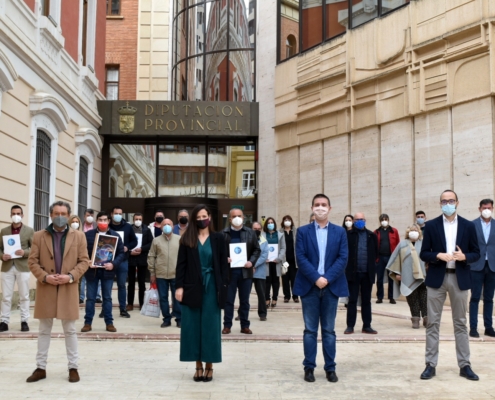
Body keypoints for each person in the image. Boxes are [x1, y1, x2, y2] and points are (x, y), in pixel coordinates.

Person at [419, 190, 480, 381]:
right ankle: (430, 364)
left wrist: (465, 257)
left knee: (461, 323)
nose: (448, 204)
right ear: (440, 204)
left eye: (451, 201)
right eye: (444, 201)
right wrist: (437, 255)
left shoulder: (468, 226)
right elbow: (424, 254)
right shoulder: (430, 226)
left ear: (457, 203)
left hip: (459, 278)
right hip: (437, 278)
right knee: (433, 323)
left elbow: (476, 253)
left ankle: (465, 365)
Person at [26, 201, 89, 383]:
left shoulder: (79, 237)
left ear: (68, 215)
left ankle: (73, 368)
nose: (60, 216)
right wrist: (45, 277)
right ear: (50, 215)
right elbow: (32, 261)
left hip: (68, 287)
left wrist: (70, 276)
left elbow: (84, 261)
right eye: (56, 213)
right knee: (44, 330)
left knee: (70, 330)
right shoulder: (39, 236)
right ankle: (40, 368)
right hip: (47, 287)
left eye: (63, 213)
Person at [293, 194, 348, 383]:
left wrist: (327, 278)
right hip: (309, 287)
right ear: (312, 208)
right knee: (310, 330)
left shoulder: (340, 232)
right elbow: (300, 258)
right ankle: (309, 367)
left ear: (330, 209)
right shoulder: (302, 231)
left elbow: (343, 258)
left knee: (329, 330)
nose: (320, 207)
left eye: (324, 205)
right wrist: (316, 278)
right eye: (317, 204)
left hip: (331, 287)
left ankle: (330, 368)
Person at [175, 204, 229, 382]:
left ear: (210, 217)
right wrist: (179, 287)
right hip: (191, 287)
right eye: (197, 217)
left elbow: (223, 264)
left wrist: (224, 287)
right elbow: (181, 265)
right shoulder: (186, 239)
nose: (201, 220)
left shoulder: (219, 238)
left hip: (213, 287)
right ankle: (197, 365)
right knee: (192, 327)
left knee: (211, 327)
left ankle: (210, 366)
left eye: (203, 216)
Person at [81, 211, 125, 333]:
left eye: (105, 220)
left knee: (107, 298)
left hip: (108, 271)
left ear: (109, 221)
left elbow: (121, 253)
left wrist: (113, 264)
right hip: (92, 272)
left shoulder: (115, 236)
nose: (103, 222)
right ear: (97, 220)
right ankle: (87, 323)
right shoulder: (88, 235)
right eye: (100, 219)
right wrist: (88, 261)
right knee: (90, 298)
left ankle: (109, 323)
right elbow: (81, 252)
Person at [222, 208, 260, 334]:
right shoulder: (223, 233)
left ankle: (245, 325)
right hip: (229, 273)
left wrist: (251, 261)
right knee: (229, 301)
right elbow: (218, 252)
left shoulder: (250, 233)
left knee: (244, 301)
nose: (237, 218)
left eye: (239, 215)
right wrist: (224, 258)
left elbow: (257, 250)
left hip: (245, 272)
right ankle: (227, 325)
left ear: (243, 218)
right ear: (230, 219)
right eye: (234, 216)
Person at [0, 205, 34, 332]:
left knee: (24, 296)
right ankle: (4, 321)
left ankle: (24, 321)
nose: (16, 215)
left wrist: (24, 252)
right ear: (10, 215)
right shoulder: (4, 231)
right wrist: (2, 256)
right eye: (14, 213)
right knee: (6, 297)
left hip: (23, 267)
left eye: (18, 213)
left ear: (22, 215)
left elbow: (34, 249)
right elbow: (0, 248)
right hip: (7, 267)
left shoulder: (29, 231)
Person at [386, 224, 427, 329]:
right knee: (412, 298)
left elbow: (428, 259)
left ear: (419, 232)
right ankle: (415, 319)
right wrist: (397, 273)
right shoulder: (402, 244)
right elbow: (395, 259)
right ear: (408, 232)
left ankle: (427, 319)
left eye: (416, 230)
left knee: (425, 298)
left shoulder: (424, 244)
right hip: (407, 277)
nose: (414, 231)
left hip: (424, 276)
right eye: (412, 230)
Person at [345, 212, 379, 334]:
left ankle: (367, 325)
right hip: (353, 274)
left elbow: (376, 253)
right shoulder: (348, 235)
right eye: (357, 219)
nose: (360, 221)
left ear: (365, 220)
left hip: (367, 273)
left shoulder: (371, 235)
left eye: (362, 219)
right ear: (353, 221)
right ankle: (350, 326)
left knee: (366, 301)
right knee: (352, 300)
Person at [148, 218, 181, 328]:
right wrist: (152, 272)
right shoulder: (156, 240)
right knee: (163, 297)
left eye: (169, 224)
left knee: (177, 297)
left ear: (173, 226)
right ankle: (166, 318)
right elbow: (151, 256)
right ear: (161, 227)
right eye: (164, 224)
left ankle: (179, 318)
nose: (167, 226)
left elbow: (183, 257)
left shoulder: (179, 239)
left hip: (176, 274)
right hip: (161, 274)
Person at [469, 199, 495, 338]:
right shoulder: (472, 225)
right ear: (479, 209)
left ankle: (488, 327)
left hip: (492, 266)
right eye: (484, 207)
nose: (487, 210)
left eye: (489, 207)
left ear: (492, 208)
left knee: (489, 298)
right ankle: (473, 327)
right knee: (475, 297)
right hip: (476, 266)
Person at [109, 206, 137, 318]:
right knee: (107, 285)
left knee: (121, 285)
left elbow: (134, 241)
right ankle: (106, 308)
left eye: (120, 213)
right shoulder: (107, 226)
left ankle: (123, 308)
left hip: (123, 260)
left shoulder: (128, 227)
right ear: (112, 214)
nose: (118, 215)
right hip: (108, 260)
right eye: (116, 213)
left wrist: (127, 247)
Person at [128, 213, 153, 311]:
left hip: (142, 258)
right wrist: (130, 251)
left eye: (140, 219)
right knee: (131, 282)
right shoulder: (129, 229)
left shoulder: (147, 229)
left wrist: (142, 249)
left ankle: (142, 303)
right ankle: (130, 303)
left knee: (142, 283)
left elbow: (151, 243)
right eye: (136, 219)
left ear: (142, 220)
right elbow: (125, 242)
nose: (138, 220)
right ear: (133, 219)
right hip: (131, 258)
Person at [374, 214, 400, 304]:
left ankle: (391, 297)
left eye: (385, 219)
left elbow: (398, 245)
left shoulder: (394, 231)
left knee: (391, 278)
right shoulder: (376, 232)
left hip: (391, 257)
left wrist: (397, 258)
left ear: (388, 220)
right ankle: (380, 297)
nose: (384, 221)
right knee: (380, 278)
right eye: (382, 219)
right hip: (380, 258)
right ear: (380, 221)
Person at [263, 217, 286, 308]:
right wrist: (264, 258)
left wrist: (279, 258)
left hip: (276, 262)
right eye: (268, 223)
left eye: (272, 222)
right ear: (266, 225)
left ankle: (275, 298)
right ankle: (267, 299)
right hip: (267, 262)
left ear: (275, 224)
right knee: (267, 281)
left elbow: (283, 248)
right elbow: (260, 248)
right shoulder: (263, 235)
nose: (270, 224)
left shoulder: (280, 234)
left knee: (276, 281)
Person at [80, 209, 101, 305]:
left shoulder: (97, 227)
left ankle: (97, 296)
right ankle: (81, 297)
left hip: (96, 255)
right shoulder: (80, 227)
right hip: (84, 255)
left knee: (98, 276)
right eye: (88, 215)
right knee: (83, 278)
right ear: (84, 216)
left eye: (92, 215)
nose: (90, 217)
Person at [251, 222, 269, 320]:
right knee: (244, 294)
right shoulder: (246, 239)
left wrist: (253, 264)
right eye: (254, 228)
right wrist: (249, 265)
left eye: (258, 228)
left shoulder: (264, 241)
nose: (257, 230)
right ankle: (241, 313)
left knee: (261, 294)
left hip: (259, 271)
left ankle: (262, 314)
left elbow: (264, 256)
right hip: (247, 270)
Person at [281, 215, 298, 303]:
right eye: (285, 220)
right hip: (284, 259)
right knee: (285, 279)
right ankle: (286, 296)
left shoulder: (295, 231)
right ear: (283, 222)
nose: (287, 221)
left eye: (289, 220)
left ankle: (295, 296)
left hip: (294, 259)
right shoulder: (280, 232)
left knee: (294, 278)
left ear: (291, 221)